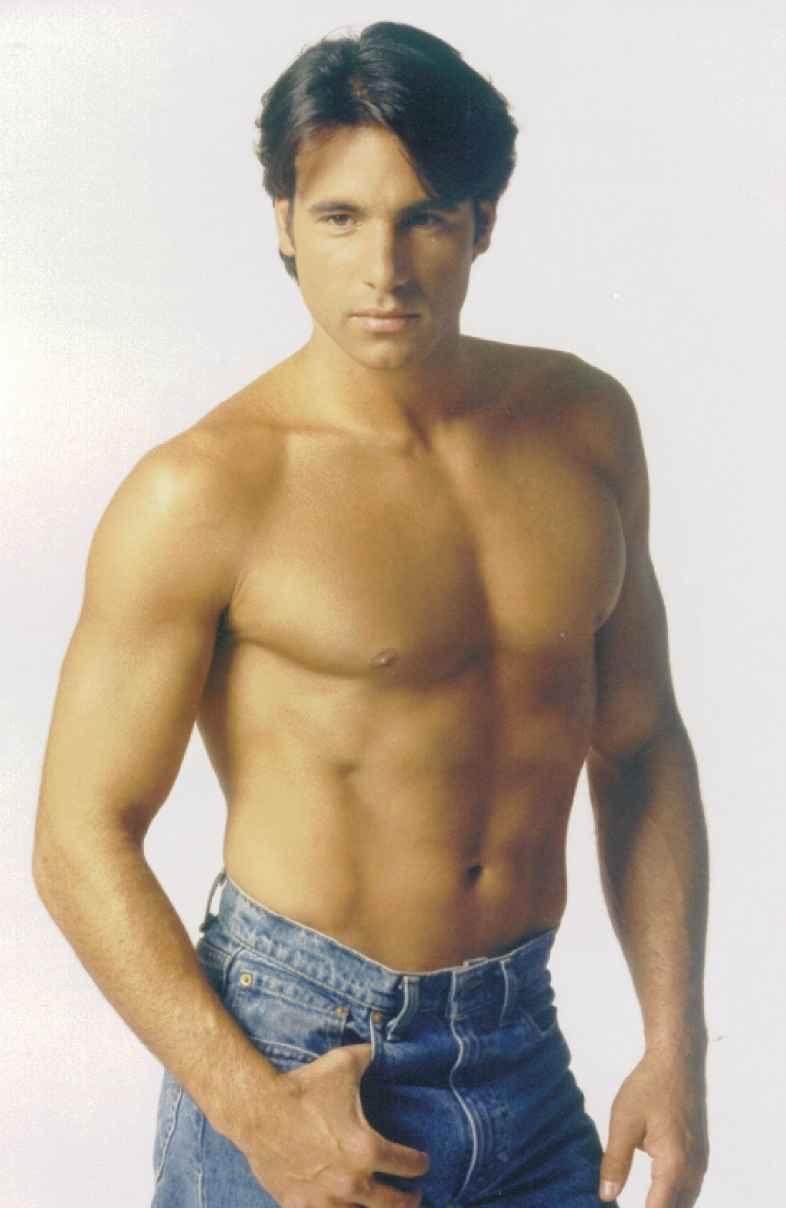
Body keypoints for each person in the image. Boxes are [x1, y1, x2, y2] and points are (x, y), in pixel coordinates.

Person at [32, 21, 709, 1208]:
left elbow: (641, 740)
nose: (383, 268)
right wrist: (257, 1114)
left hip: (522, 1051)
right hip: (300, 1060)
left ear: (483, 223)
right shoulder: (207, 488)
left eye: (423, 218)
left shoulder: (584, 425)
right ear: (284, 223)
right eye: (341, 216)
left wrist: (676, 1041)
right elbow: (77, 837)